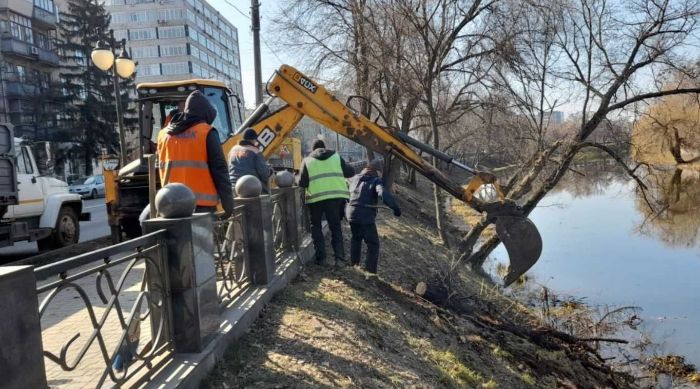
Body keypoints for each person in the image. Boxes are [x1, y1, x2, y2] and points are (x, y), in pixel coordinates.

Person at [155, 90, 234, 217]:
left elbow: (159, 167)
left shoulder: (163, 135)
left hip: (169, 204)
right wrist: (228, 204)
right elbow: (219, 169)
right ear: (205, 114)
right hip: (202, 206)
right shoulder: (206, 132)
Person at [299, 139, 355, 265]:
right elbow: (349, 172)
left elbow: (302, 183)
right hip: (335, 198)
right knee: (335, 227)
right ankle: (339, 258)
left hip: (315, 199)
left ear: (313, 150)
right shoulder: (335, 157)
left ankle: (321, 258)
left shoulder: (307, 161)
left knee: (316, 227)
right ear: (325, 148)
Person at [346, 158, 401, 274]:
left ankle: (354, 266)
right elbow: (382, 193)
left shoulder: (355, 178)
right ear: (377, 171)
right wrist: (395, 208)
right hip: (365, 216)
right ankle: (370, 273)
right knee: (373, 244)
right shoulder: (375, 180)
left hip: (351, 213)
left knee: (356, 239)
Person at [228, 128, 273, 194]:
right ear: (253, 140)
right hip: (250, 189)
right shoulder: (255, 151)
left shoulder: (232, 150)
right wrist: (270, 171)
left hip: (233, 188)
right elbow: (264, 173)